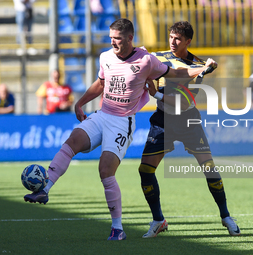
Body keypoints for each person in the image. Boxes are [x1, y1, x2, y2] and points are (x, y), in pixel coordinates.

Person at [23, 18, 217, 241]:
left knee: (105, 170)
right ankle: (44, 189)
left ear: (129, 38)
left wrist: (201, 69)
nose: (113, 42)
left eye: (117, 38)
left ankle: (118, 228)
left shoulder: (146, 61)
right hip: (103, 114)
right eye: (111, 38)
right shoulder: (106, 57)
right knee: (72, 141)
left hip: (122, 122)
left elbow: (176, 74)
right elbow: (100, 84)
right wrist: (80, 102)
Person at [139, 21, 240, 238]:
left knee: (209, 168)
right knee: (145, 170)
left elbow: (184, 103)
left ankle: (226, 216)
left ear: (188, 41)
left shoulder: (198, 66)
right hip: (162, 119)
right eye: (171, 37)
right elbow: (141, 59)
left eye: (178, 39)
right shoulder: (160, 57)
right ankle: (158, 220)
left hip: (188, 120)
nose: (173, 42)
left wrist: (155, 94)